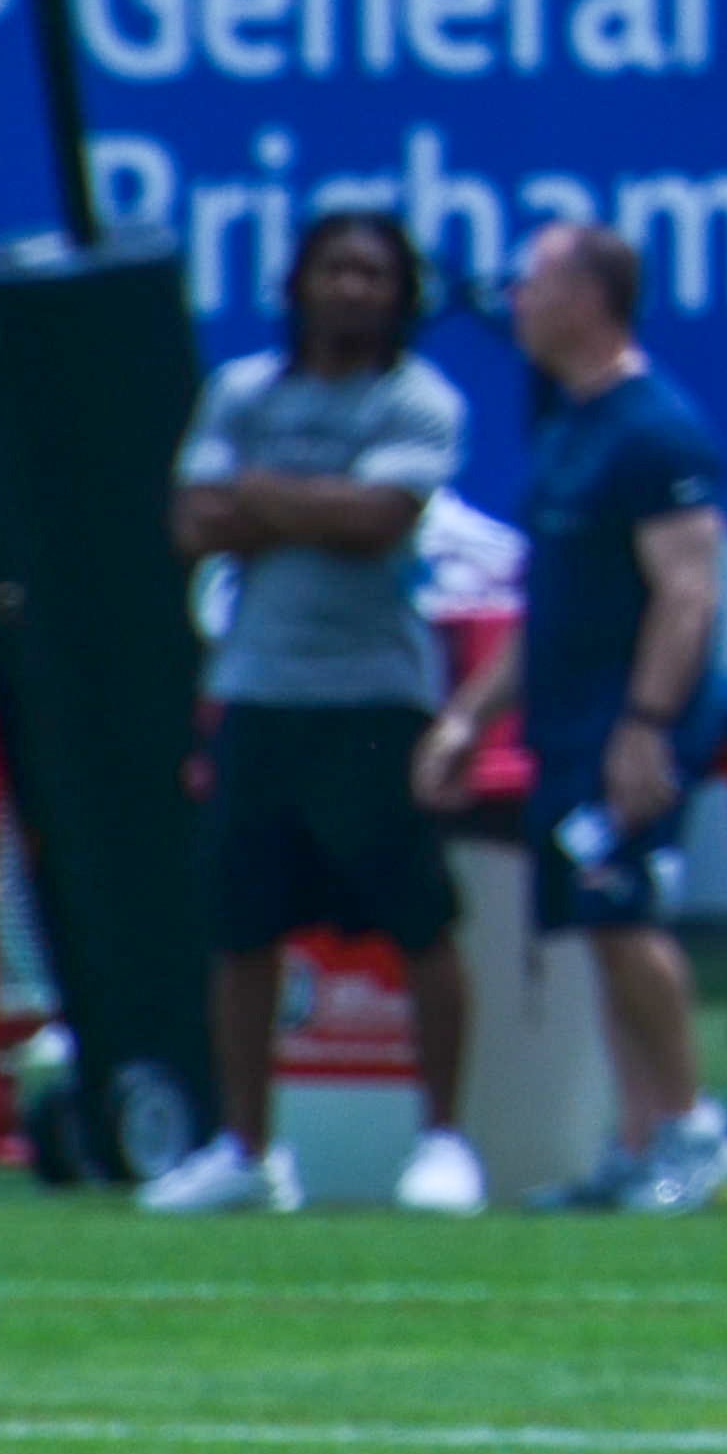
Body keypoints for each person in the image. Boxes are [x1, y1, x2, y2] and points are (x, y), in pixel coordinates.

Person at [138, 211, 484, 1216]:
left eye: (373, 275)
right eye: (334, 270)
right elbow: (192, 523)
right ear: (298, 283)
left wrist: (261, 497)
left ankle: (444, 1142)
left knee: (417, 917)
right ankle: (248, 1150)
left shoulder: (417, 400)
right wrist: (312, 504)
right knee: (241, 925)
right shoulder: (244, 389)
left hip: (374, 693)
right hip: (257, 688)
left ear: (401, 294)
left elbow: (381, 523)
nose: (351, 290)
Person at [414, 220, 727, 1214]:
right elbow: (549, 607)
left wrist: (646, 725)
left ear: (590, 298)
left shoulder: (656, 431)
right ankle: (636, 1138)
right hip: (564, 722)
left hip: (623, 724)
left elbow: (688, 595)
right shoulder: (568, 429)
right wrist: (469, 717)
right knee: (598, 929)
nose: (513, 297)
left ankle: (691, 1130)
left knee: (628, 913)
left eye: (534, 281)